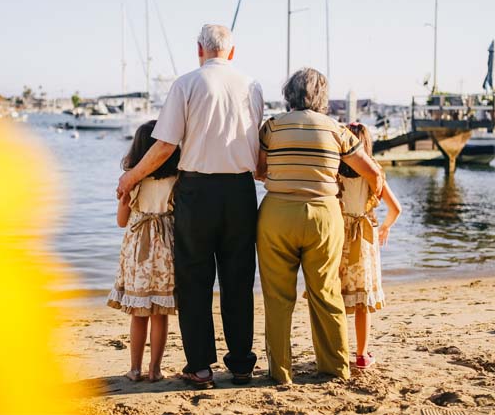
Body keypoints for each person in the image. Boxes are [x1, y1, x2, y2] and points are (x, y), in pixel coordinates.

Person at [117, 24, 263, 388]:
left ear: (199, 49)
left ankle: (199, 367)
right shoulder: (253, 86)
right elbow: (258, 151)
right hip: (241, 191)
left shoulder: (186, 84)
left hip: (197, 192)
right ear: (232, 51)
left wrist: (131, 177)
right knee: (238, 280)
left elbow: (165, 146)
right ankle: (242, 364)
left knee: (195, 281)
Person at [255, 68, 385, 384]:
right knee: (326, 294)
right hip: (324, 217)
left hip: (276, 215)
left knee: (277, 298)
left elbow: (259, 170)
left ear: (289, 94)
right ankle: (334, 367)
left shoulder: (270, 128)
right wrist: (371, 203)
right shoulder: (338, 131)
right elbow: (373, 173)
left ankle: (280, 371)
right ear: (322, 97)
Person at [108, 120, 180, 382]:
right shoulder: (177, 179)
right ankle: (156, 370)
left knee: (139, 314)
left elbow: (121, 221)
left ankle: (135, 369)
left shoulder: (132, 182)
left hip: (138, 248)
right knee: (160, 313)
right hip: (165, 249)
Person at [337, 122, 401, 368]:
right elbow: (396, 208)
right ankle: (362, 355)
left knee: (338, 299)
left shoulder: (335, 171)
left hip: (340, 237)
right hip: (364, 239)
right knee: (362, 303)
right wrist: (384, 227)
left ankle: (338, 352)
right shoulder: (374, 174)